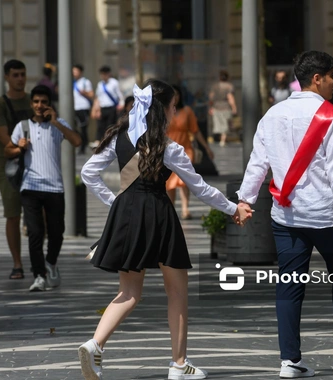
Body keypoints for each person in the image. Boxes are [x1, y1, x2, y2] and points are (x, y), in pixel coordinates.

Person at [78, 79, 252, 380]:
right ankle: (179, 364)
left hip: (126, 215)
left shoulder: (119, 137)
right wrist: (233, 207)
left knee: (129, 291)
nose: (175, 112)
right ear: (163, 110)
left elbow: (88, 173)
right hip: (158, 215)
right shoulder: (169, 148)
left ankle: (95, 344)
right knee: (177, 293)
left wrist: (115, 203)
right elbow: (199, 188)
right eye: (173, 106)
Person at [237, 51, 333, 377]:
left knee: (289, 284)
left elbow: (258, 162)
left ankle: (290, 361)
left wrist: (245, 199)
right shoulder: (329, 115)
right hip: (327, 214)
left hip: (286, 216)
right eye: (332, 76)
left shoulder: (272, 114)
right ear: (317, 78)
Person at [4, 85, 82, 291]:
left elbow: (76, 141)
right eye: (36, 102)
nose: (40, 106)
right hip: (30, 186)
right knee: (35, 232)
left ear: (50, 104)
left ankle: (51, 264)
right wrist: (18, 146)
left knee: (57, 232)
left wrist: (56, 122)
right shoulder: (22, 126)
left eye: (44, 102)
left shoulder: (58, 125)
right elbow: (8, 150)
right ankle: (38, 275)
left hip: (55, 187)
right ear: (31, 104)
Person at [0, 59, 35, 280]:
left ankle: (39, 262)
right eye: (15, 75)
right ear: (7, 77)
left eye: (23, 74)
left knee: (41, 213)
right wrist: (16, 147)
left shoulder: (33, 100)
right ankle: (17, 263)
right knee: (12, 215)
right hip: (8, 167)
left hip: (35, 164)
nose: (20, 79)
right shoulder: (0, 103)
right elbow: (2, 135)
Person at [166, 85, 214, 220]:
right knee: (170, 182)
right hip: (168, 152)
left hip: (185, 150)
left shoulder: (187, 111)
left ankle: (185, 208)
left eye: (177, 94)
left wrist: (206, 148)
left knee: (183, 180)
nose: (175, 97)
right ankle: (172, 209)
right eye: (172, 95)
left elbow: (195, 131)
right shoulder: (163, 112)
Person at [91, 65, 124, 147]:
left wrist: (121, 104)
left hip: (111, 108)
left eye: (105, 74)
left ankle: (110, 141)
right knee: (100, 125)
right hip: (102, 107)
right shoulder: (100, 84)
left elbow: (120, 95)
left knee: (110, 125)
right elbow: (98, 97)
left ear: (109, 74)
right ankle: (99, 141)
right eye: (102, 74)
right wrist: (97, 110)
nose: (103, 76)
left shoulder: (114, 83)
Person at [209, 70, 237, 147]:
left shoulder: (215, 86)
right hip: (226, 108)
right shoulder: (229, 86)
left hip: (216, 107)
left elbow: (211, 98)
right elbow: (230, 97)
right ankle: (223, 140)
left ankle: (222, 139)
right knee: (225, 125)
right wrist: (234, 107)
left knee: (219, 124)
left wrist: (211, 107)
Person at [73, 64, 94, 155]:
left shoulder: (86, 82)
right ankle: (80, 142)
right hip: (74, 108)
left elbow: (91, 95)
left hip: (83, 107)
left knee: (83, 127)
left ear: (80, 72)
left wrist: (84, 93)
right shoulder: (72, 82)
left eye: (75, 71)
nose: (74, 73)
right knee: (73, 127)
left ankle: (83, 147)